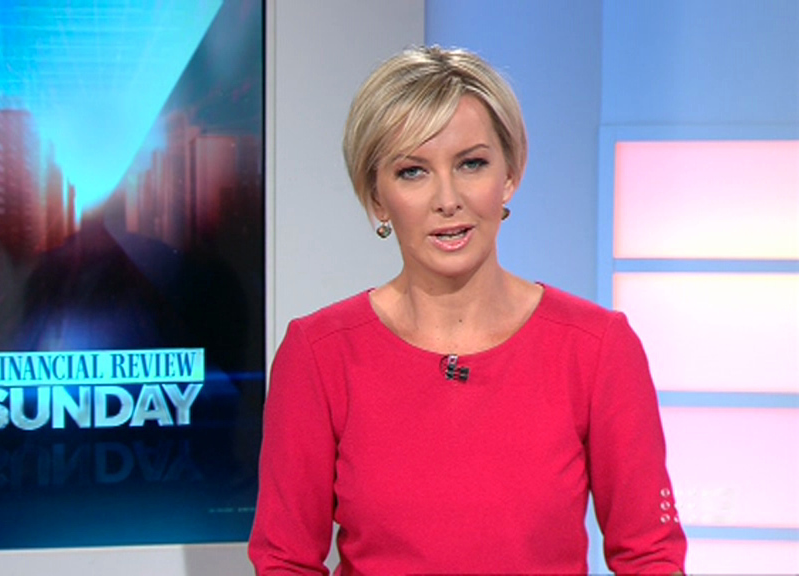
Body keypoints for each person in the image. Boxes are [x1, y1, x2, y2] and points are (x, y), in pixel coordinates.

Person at [248, 46, 687, 575]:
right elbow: (285, 560)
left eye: (471, 164)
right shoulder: (320, 354)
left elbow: (650, 556)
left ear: (510, 174)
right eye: (413, 171)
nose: (448, 199)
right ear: (377, 197)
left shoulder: (596, 347)